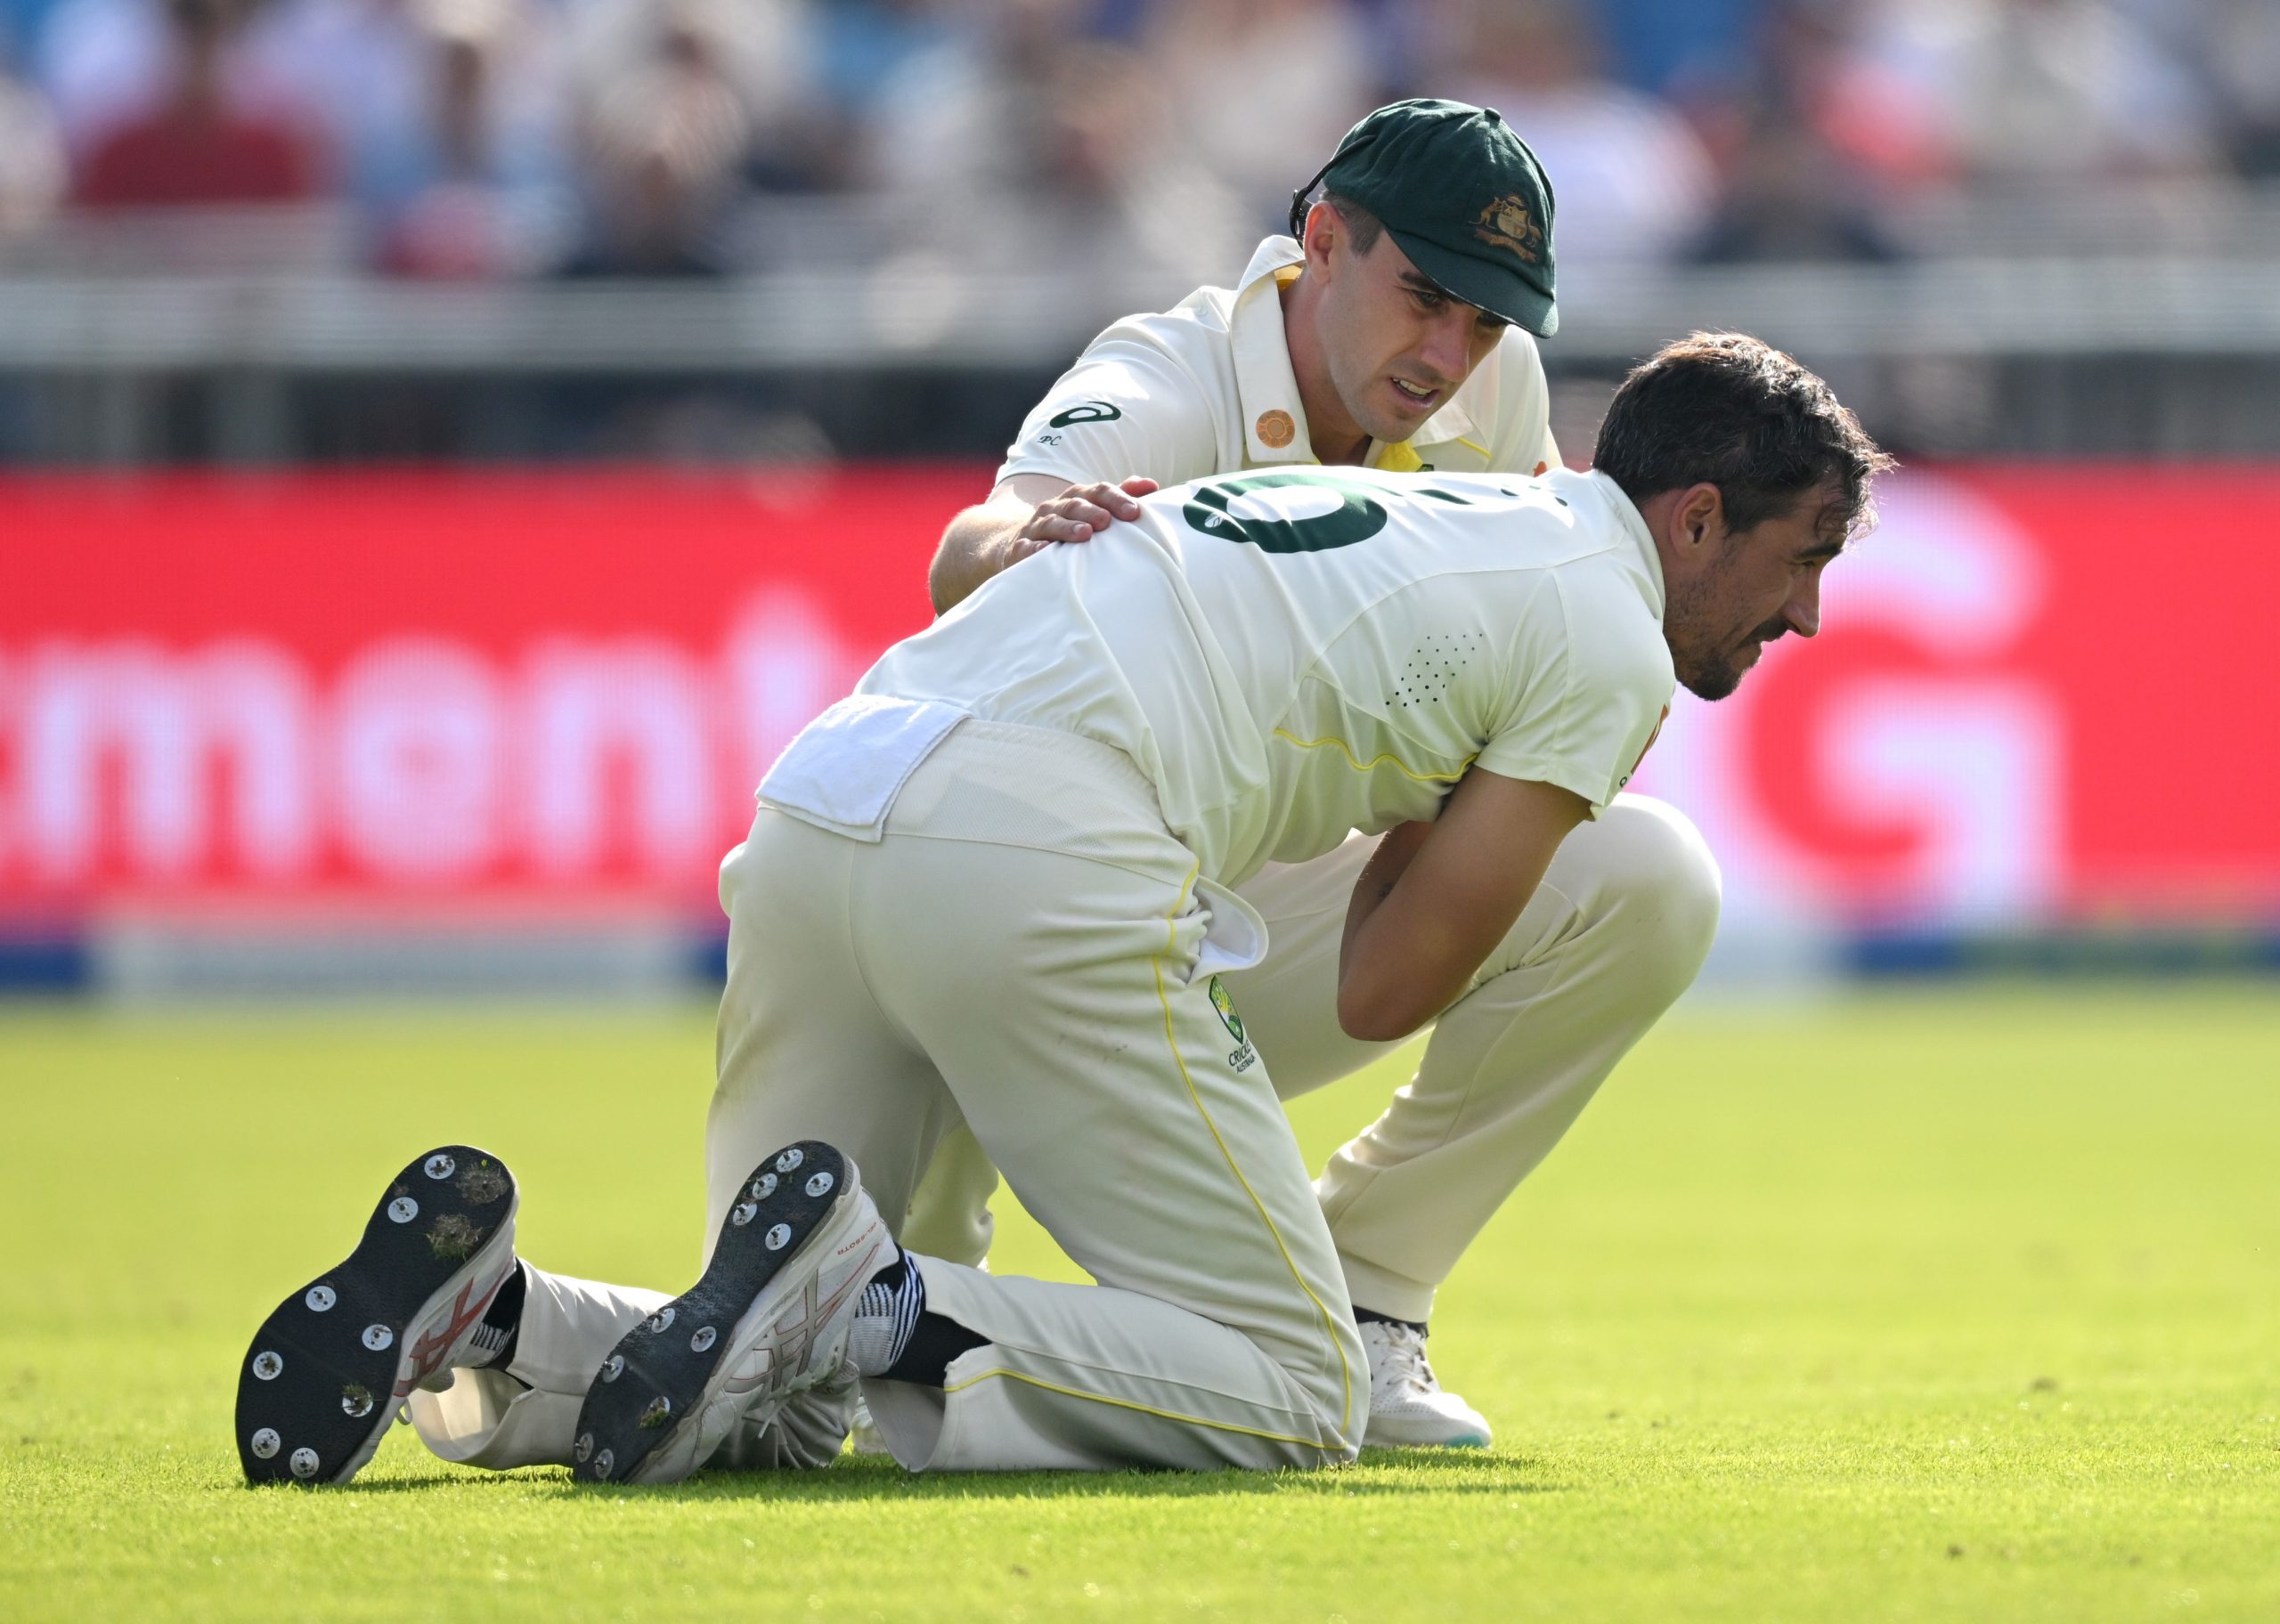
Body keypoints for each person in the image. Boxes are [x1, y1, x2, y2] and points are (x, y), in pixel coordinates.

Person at [235, 332, 1892, 1483]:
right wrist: (1457, 804)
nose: (1808, 614)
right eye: (1804, 553)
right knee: (1292, 1391)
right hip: (1037, 845)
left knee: (762, 1405)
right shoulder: (1605, 634)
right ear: (1692, 520)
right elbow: (1391, 984)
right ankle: (874, 1301)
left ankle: (495, 1325)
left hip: (829, 803)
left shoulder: (1450, 503)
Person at [916, 97, 1673, 1449]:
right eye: (1425, 296)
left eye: (1488, 320)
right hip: (1030, 892)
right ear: (1322, 240)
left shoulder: (1493, 388)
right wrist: (1026, 541)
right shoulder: (1171, 368)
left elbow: (1535, 640)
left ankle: (1371, 1298)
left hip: (1257, 919)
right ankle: (515, 1322)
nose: (1450, 355)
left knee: (1643, 875)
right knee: (831, 1324)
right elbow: (973, 543)